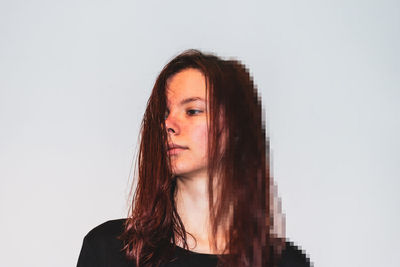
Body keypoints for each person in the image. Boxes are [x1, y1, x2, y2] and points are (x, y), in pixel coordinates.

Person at [77, 50, 312, 267]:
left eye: (192, 111)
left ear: (237, 129)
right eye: (164, 114)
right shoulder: (109, 249)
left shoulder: (285, 262)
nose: (168, 124)